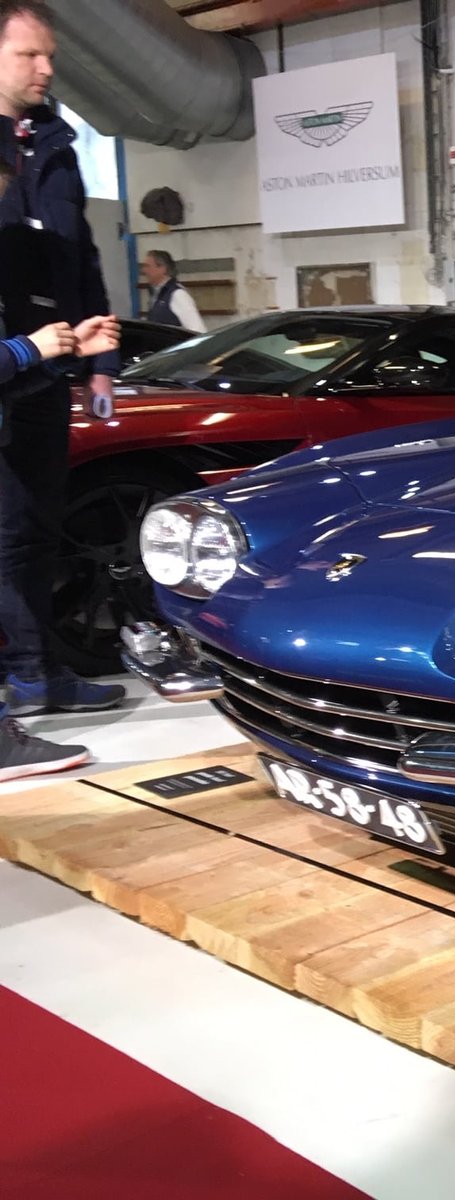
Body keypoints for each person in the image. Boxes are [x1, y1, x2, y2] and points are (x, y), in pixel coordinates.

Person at [0, 0, 127, 733]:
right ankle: (26, 673)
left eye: (50, 55)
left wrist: (99, 360)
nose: (47, 69)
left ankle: (41, 668)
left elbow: (82, 260)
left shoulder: (55, 143)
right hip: (10, 362)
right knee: (9, 532)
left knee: (40, 528)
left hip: (52, 364)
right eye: (29, 55)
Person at [140, 249, 205, 333]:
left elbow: (197, 330)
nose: (144, 270)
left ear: (162, 268)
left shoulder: (178, 295)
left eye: (148, 266)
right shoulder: (157, 295)